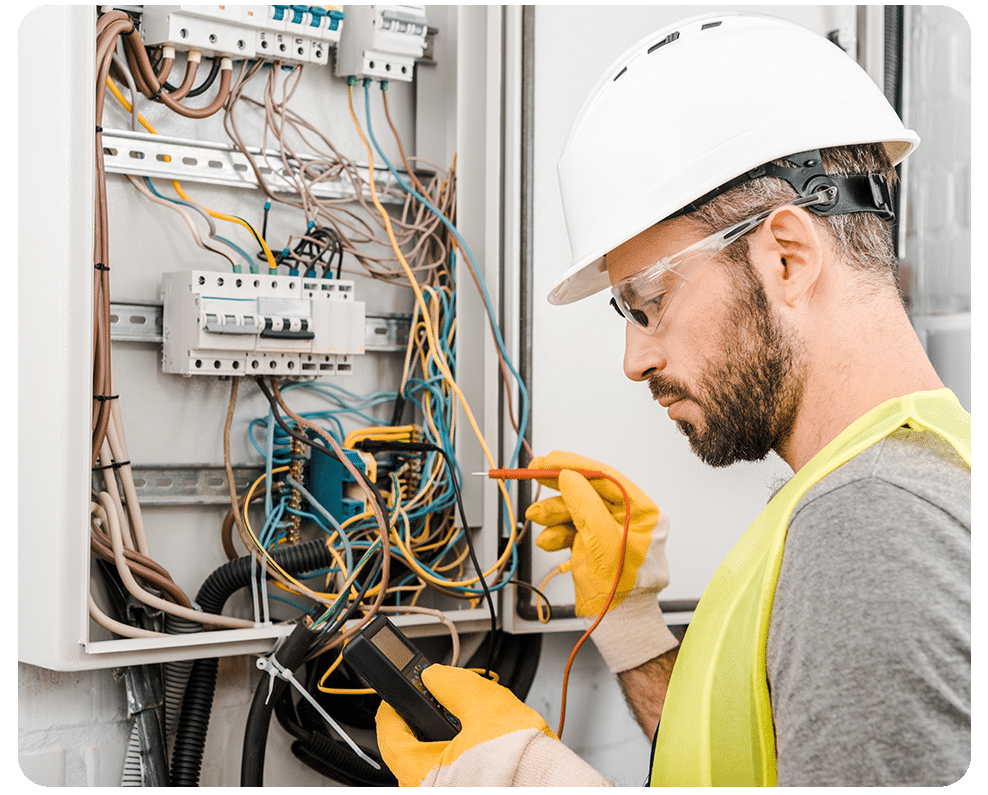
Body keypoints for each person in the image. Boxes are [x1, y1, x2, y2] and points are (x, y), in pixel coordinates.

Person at [374, 11, 970, 786]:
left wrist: (521, 774)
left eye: (650, 303)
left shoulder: (871, 526)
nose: (633, 358)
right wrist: (628, 621)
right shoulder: (873, 482)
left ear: (787, 258)